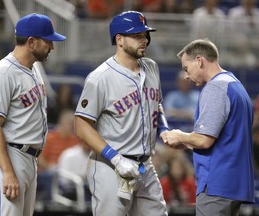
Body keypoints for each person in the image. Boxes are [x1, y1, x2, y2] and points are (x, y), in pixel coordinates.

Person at [74, 10, 168, 216]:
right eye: (136, 36)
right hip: (110, 167)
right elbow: (81, 125)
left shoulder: (152, 67)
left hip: (145, 165)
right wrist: (115, 159)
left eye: (145, 35)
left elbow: (157, 104)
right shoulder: (100, 78)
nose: (143, 40)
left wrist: (165, 129)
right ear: (119, 40)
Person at [0, 13, 66, 216]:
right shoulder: (3, 73)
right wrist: (7, 171)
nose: (52, 46)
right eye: (48, 41)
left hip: (28, 159)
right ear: (31, 42)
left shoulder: (33, 68)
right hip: (9, 155)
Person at [161, 38, 255, 215]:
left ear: (199, 61)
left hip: (217, 185)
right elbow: (226, 137)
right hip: (235, 183)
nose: (186, 76)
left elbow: (204, 140)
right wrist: (188, 143)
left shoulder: (215, 88)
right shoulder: (235, 85)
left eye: (186, 69)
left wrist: (180, 135)